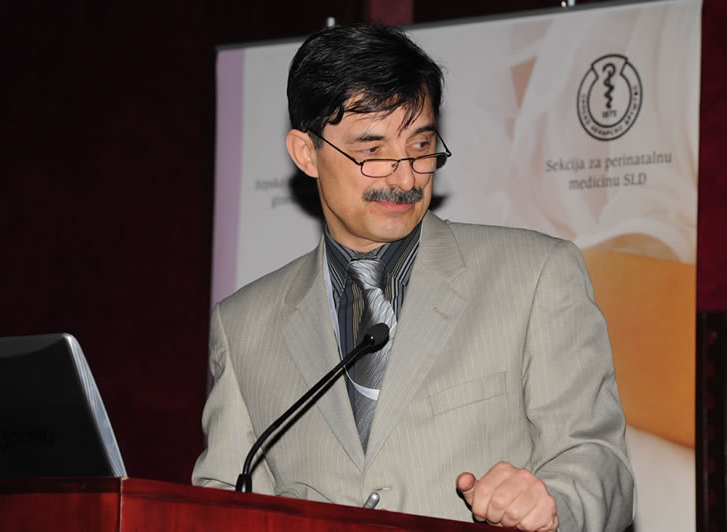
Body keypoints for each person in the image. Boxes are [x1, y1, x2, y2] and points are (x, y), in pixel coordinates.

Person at [193, 24, 634, 531]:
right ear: (306, 153)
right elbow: (223, 503)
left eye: (421, 146)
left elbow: (599, 462)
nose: (404, 177)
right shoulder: (243, 325)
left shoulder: (536, 275)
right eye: (372, 151)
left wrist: (554, 505)